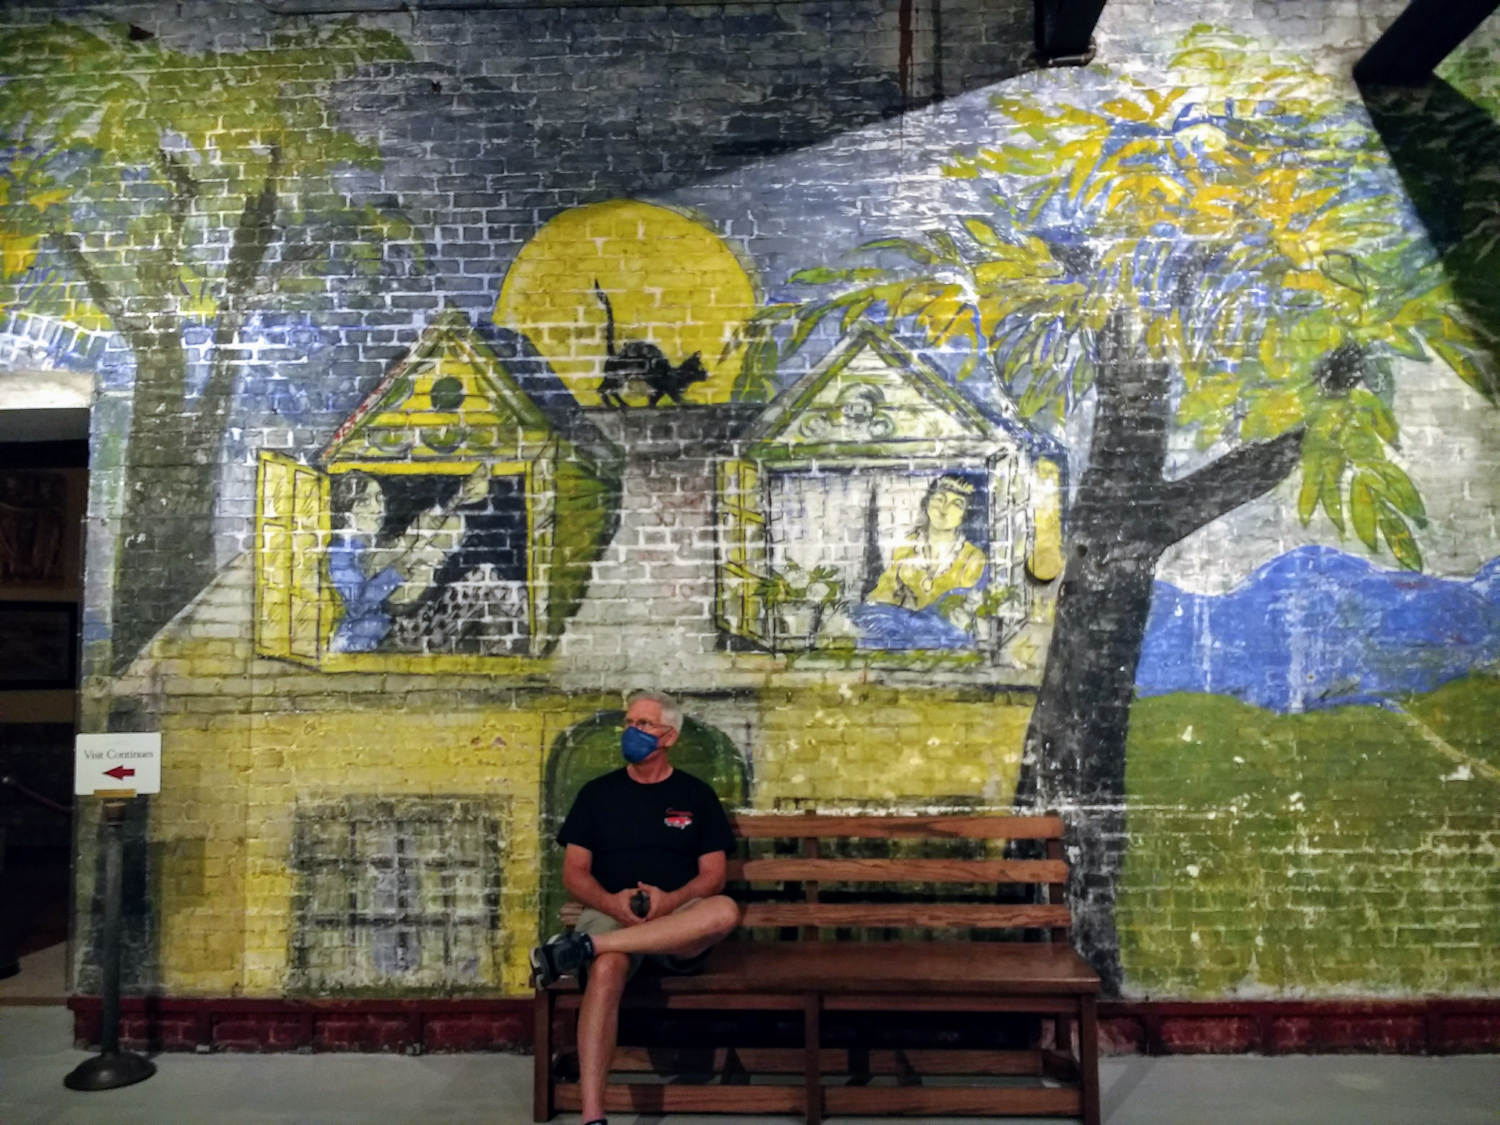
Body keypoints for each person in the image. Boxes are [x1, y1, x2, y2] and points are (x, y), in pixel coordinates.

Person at [530, 690, 741, 1125]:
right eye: (629, 723)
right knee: (608, 969)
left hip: (678, 924)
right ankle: (593, 1115)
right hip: (610, 912)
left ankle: (585, 947)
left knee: (723, 910)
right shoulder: (597, 794)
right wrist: (612, 902)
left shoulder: (696, 796)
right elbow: (574, 873)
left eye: (643, 725)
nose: (632, 732)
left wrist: (673, 899)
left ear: (669, 736)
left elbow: (713, 876)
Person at [326, 465, 490, 652]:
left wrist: (458, 498)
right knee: (483, 581)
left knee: (482, 577)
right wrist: (403, 565)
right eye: (364, 502)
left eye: (380, 500)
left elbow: (407, 540)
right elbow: (357, 606)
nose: (377, 508)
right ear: (346, 514)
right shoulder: (341, 552)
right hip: (381, 638)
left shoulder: (371, 544)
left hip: (398, 627)